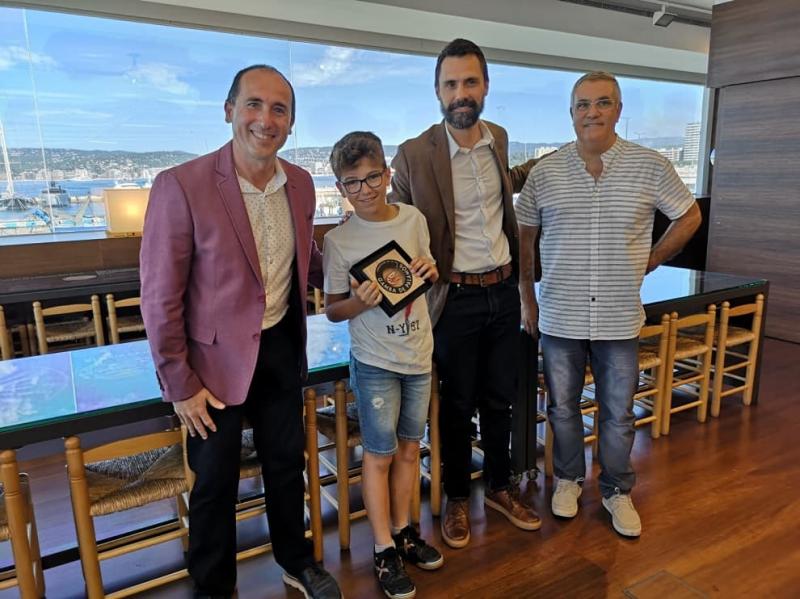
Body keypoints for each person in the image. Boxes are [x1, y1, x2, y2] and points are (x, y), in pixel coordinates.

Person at [140, 64, 342, 599]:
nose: (265, 119)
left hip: (280, 348)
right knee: (214, 483)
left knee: (286, 466)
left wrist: (361, 273)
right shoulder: (180, 185)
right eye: (254, 104)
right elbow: (159, 297)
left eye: (279, 109)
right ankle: (213, 586)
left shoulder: (300, 184)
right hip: (210, 366)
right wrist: (179, 383)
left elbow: (307, 259)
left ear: (291, 123)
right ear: (229, 110)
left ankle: (296, 561)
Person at [515, 71, 702, 537]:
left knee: (618, 413)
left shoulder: (650, 166)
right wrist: (526, 298)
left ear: (618, 110)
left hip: (618, 316)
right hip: (560, 314)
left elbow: (689, 215)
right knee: (562, 408)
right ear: (571, 113)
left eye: (602, 103)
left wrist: (653, 258)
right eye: (583, 104)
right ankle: (569, 480)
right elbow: (525, 238)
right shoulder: (545, 173)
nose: (592, 112)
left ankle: (617, 490)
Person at [389, 38, 541, 549]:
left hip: (502, 290)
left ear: (486, 87)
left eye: (470, 82)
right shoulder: (414, 154)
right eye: (451, 84)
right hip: (452, 298)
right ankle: (456, 496)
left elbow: (504, 202)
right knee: (455, 406)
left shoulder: (499, 137)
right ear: (437, 91)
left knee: (500, 399)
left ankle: (499, 486)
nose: (461, 93)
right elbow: (394, 223)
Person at [324, 131, 443, 599]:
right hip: (374, 361)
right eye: (353, 182)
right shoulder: (338, 240)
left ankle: (403, 531)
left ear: (388, 175)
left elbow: (425, 271)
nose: (365, 189)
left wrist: (431, 270)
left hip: (419, 355)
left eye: (373, 177)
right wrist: (358, 302)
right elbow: (333, 309)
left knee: (411, 450)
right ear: (341, 188)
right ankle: (382, 548)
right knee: (378, 455)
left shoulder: (413, 219)